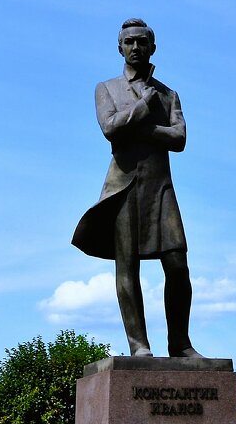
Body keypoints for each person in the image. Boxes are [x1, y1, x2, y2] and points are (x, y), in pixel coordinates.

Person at [72, 18, 201, 358]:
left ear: (152, 47)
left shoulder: (168, 94)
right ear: (120, 48)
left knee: (178, 265)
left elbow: (180, 138)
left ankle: (180, 344)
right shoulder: (106, 88)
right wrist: (144, 108)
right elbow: (110, 128)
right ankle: (139, 345)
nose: (135, 47)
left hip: (161, 189)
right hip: (124, 187)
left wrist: (142, 126)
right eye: (129, 42)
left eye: (142, 42)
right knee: (127, 265)